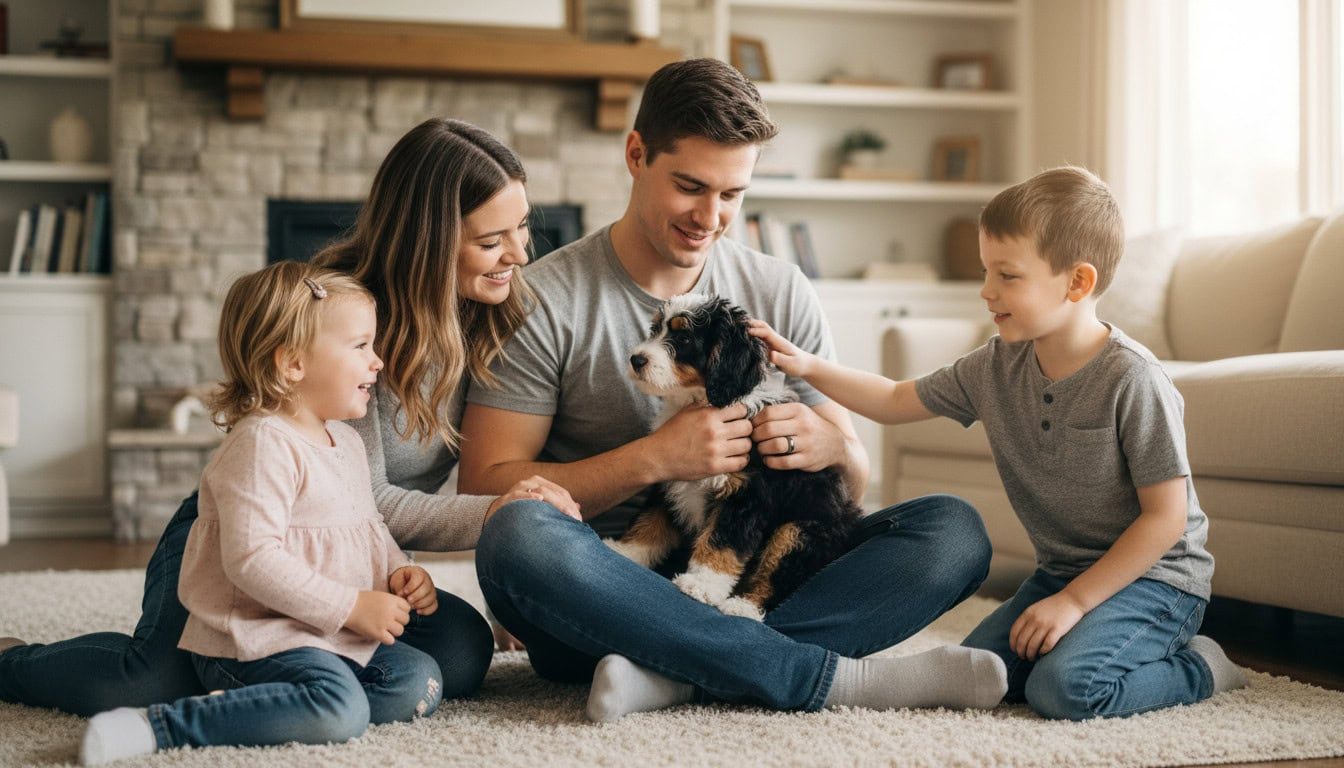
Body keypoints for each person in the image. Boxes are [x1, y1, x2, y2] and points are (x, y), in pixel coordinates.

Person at [459, 58, 1006, 722]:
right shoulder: (545, 296)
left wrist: (830, 444)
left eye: (732, 194)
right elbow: (486, 490)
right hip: (607, 587)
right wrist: (654, 460)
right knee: (518, 536)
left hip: (750, 582)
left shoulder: (779, 289)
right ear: (636, 155)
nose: (711, 217)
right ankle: (813, 673)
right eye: (690, 186)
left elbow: (851, 483)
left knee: (952, 530)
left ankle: (675, 675)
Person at [0, 118, 579, 715]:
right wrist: (496, 514)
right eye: (491, 241)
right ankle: (11, 662)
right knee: (144, 684)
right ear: (428, 244)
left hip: (351, 551)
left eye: (524, 227)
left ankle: (277, 675)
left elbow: (519, 457)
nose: (520, 253)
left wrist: (512, 585)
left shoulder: (500, 311)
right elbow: (373, 497)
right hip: (252, 531)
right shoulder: (342, 325)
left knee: (457, 655)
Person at [749, 165, 1249, 720]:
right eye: (988, 271)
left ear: (1077, 283)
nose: (986, 291)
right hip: (1063, 573)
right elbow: (894, 399)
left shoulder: (1133, 379)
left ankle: (1201, 666)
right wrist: (807, 365)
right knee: (978, 675)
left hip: (1157, 582)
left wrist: (1074, 604)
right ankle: (1080, 631)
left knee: (1065, 690)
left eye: (1007, 276)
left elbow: (1166, 519)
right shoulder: (996, 365)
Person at [81, 263, 446, 763]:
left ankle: (262, 710)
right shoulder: (261, 443)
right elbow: (251, 559)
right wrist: (351, 608)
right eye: (360, 346)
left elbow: (369, 527)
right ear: (293, 364)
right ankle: (158, 726)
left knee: (418, 678)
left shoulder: (345, 442)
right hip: (255, 639)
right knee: (340, 710)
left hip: (324, 636)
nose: (377, 361)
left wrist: (398, 569)